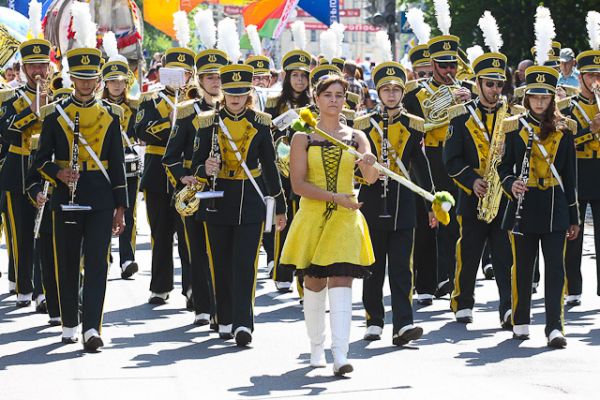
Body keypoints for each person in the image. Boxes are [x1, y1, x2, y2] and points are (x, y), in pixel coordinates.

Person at [279, 75, 378, 376]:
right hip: (313, 215)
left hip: (346, 218)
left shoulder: (356, 136)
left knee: (342, 279)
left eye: (339, 94)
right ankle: (316, 347)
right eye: (328, 94)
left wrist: (370, 161)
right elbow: (298, 185)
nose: (334, 100)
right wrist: (335, 196)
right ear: (316, 98)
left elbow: (371, 179)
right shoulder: (302, 136)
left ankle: (341, 354)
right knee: (314, 282)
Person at [30, 46, 127, 351]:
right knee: (68, 261)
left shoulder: (112, 114)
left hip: (100, 193)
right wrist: (58, 174)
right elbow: (40, 161)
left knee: (98, 262)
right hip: (66, 193)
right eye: (81, 78)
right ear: (71, 77)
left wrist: (121, 208)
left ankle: (93, 328)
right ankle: (70, 321)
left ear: (99, 79)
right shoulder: (53, 114)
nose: (86, 84)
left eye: (91, 79)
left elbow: (118, 162)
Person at [191, 64, 287, 346]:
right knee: (219, 263)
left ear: (249, 93)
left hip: (251, 196)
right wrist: (203, 168)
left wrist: (279, 206)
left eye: (241, 93)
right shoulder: (207, 121)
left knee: (245, 263)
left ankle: (244, 323)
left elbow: (270, 167)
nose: (235, 98)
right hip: (217, 197)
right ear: (223, 92)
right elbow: (195, 163)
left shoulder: (261, 122)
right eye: (230, 93)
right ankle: (225, 318)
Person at [497, 65, 579, 348]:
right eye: (535, 97)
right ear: (527, 98)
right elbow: (502, 166)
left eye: (545, 97)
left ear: (552, 98)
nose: (540, 102)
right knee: (522, 268)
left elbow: (570, 175)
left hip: (556, 206)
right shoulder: (514, 126)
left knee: (556, 269)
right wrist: (511, 184)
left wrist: (574, 215)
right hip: (524, 205)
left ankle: (555, 327)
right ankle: (520, 321)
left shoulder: (565, 128)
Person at [355, 61, 434, 345]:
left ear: (402, 92)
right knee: (372, 266)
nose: (390, 94)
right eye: (385, 89)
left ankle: (403, 323)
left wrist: (431, 203)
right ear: (378, 91)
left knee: (402, 267)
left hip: (403, 202)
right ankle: (373, 320)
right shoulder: (363, 125)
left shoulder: (414, 124)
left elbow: (420, 166)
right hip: (372, 199)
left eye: (395, 89)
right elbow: (353, 166)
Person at [443, 51, 514, 328]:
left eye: (499, 84)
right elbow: (451, 159)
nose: (495, 90)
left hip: (503, 196)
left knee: (504, 254)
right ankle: (463, 302)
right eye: (489, 84)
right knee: (469, 251)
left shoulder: (511, 116)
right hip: (474, 194)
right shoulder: (460, 116)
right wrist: (472, 181)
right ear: (478, 83)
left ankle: (508, 307)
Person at [403, 34, 474, 300]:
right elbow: (411, 126)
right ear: (432, 64)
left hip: (459, 158)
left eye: (452, 65)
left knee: (456, 220)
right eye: (443, 65)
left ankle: (450, 276)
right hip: (429, 158)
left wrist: (470, 102)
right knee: (429, 219)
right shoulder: (415, 93)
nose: (449, 71)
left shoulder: (467, 89)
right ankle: (426, 280)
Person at [163, 48, 228, 326]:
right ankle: (203, 306)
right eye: (209, 77)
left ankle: (222, 308)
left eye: (219, 76)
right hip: (196, 186)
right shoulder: (187, 111)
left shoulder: (236, 109)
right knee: (197, 250)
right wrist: (184, 177)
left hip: (228, 186)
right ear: (199, 80)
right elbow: (170, 157)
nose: (215, 82)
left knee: (223, 251)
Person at [134, 48, 193, 306]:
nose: (178, 79)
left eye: (184, 74)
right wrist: (169, 122)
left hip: (186, 173)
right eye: (173, 73)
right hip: (157, 171)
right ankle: (160, 285)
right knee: (161, 233)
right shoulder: (149, 99)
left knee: (189, 235)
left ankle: (193, 287)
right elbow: (139, 130)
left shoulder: (196, 103)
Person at [0, 37, 52, 308]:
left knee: (44, 232)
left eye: (41, 65)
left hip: (47, 171)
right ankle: (23, 287)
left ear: (49, 66)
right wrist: (34, 109)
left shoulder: (59, 96)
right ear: (23, 69)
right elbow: (6, 131)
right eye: (31, 66)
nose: (37, 72)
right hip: (17, 169)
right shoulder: (11, 97)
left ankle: (43, 290)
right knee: (20, 232)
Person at [264, 50, 313, 293]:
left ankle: (304, 277)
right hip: (280, 168)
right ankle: (282, 271)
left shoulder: (315, 104)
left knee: (305, 222)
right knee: (282, 222)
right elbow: (267, 133)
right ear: (287, 77)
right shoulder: (274, 103)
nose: (300, 81)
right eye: (295, 75)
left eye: (304, 76)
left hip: (307, 168)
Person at [564, 47, 600, 305]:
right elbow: (564, 143)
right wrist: (591, 129)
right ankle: (573, 289)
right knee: (573, 233)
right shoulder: (567, 106)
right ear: (581, 76)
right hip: (577, 171)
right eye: (591, 75)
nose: (596, 80)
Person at [101, 50, 140, 280]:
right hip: (104, 163)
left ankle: (127, 258)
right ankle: (104, 254)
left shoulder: (135, 107)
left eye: (121, 81)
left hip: (129, 163)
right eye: (112, 81)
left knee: (129, 212)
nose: (117, 85)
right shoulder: (97, 107)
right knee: (105, 211)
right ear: (105, 83)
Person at [407, 43, 438, 305]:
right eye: (421, 72)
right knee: (424, 224)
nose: (426, 77)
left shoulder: (454, 92)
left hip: (447, 161)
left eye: (430, 72)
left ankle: (446, 277)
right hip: (419, 163)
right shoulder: (409, 95)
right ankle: (424, 282)